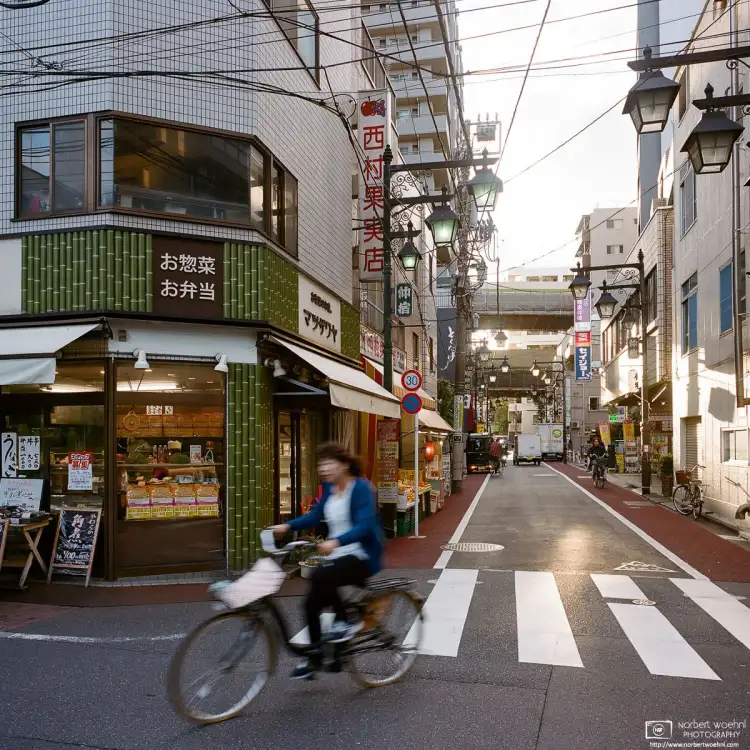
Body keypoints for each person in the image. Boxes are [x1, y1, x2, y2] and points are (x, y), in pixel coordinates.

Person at [271, 442, 384, 680]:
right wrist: (287, 526)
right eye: (321, 463)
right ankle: (314, 658)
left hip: (361, 555)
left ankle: (342, 621)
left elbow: (364, 526)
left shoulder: (361, 488)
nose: (323, 468)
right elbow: (315, 515)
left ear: (343, 465)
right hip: (337, 556)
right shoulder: (329, 489)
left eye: (328, 463)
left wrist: (335, 542)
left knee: (320, 575)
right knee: (310, 604)